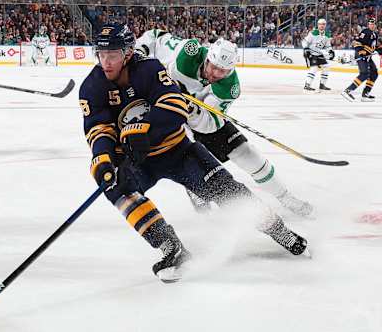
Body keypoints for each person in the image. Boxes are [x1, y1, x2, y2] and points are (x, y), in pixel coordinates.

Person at [81, 23, 309, 283]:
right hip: (138, 160)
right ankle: (171, 247)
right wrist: (103, 159)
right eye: (101, 54)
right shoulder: (91, 87)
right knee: (114, 186)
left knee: (227, 191)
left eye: (113, 55)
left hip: (178, 151)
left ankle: (277, 229)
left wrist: (145, 129)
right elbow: (98, 128)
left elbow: (175, 105)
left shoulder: (150, 69)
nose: (106, 62)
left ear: (128, 53)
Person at [136, 30, 313, 217]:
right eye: (213, 67)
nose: (216, 73)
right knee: (187, 149)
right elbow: (155, 36)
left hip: (194, 116)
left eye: (223, 71)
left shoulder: (230, 87)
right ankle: (194, 187)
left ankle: (286, 197)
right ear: (207, 58)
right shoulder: (188, 51)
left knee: (247, 153)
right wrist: (139, 51)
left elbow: (209, 124)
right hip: (163, 110)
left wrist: (192, 110)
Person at [342, 18, 382, 102]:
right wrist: (361, 52)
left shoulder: (375, 34)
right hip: (360, 55)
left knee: (374, 73)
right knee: (364, 74)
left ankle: (365, 94)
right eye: (370, 24)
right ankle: (347, 91)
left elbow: (372, 46)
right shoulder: (365, 32)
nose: (372, 25)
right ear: (368, 25)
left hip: (368, 57)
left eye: (373, 24)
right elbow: (356, 42)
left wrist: (379, 49)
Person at [302, 18, 334, 92]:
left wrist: (330, 51)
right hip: (311, 53)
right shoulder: (313, 33)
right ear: (318, 25)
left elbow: (328, 45)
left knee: (326, 67)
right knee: (314, 68)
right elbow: (304, 42)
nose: (321, 26)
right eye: (320, 24)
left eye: (323, 24)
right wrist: (306, 49)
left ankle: (322, 85)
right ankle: (307, 86)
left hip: (319, 54)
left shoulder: (327, 34)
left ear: (325, 25)